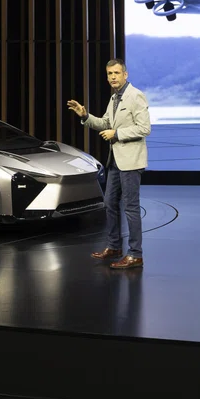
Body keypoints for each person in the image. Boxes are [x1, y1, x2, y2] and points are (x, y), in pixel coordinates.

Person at [67, 58, 150, 269]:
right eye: (109, 74)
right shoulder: (114, 98)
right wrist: (85, 115)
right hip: (114, 160)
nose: (112, 77)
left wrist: (117, 133)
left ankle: (135, 254)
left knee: (130, 208)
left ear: (125, 74)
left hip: (130, 161)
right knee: (110, 203)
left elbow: (144, 128)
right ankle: (114, 246)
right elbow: (105, 123)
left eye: (116, 73)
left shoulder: (135, 96)